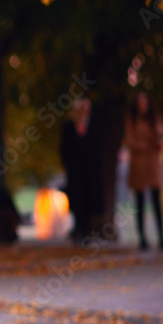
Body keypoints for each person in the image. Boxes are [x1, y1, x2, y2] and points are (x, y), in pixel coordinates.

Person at [124, 91, 163, 250]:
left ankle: (162, 235)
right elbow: (131, 141)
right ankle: (142, 237)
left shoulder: (154, 119)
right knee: (140, 202)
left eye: (144, 102)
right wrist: (147, 146)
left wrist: (159, 136)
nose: (142, 105)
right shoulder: (131, 120)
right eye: (139, 102)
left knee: (157, 200)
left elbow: (160, 140)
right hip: (138, 165)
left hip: (152, 164)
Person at [60, 97, 104, 244]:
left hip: (89, 174)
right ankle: (78, 231)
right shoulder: (69, 127)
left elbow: (97, 151)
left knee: (88, 202)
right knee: (77, 202)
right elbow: (64, 150)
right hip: (75, 174)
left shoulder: (93, 127)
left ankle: (85, 232)